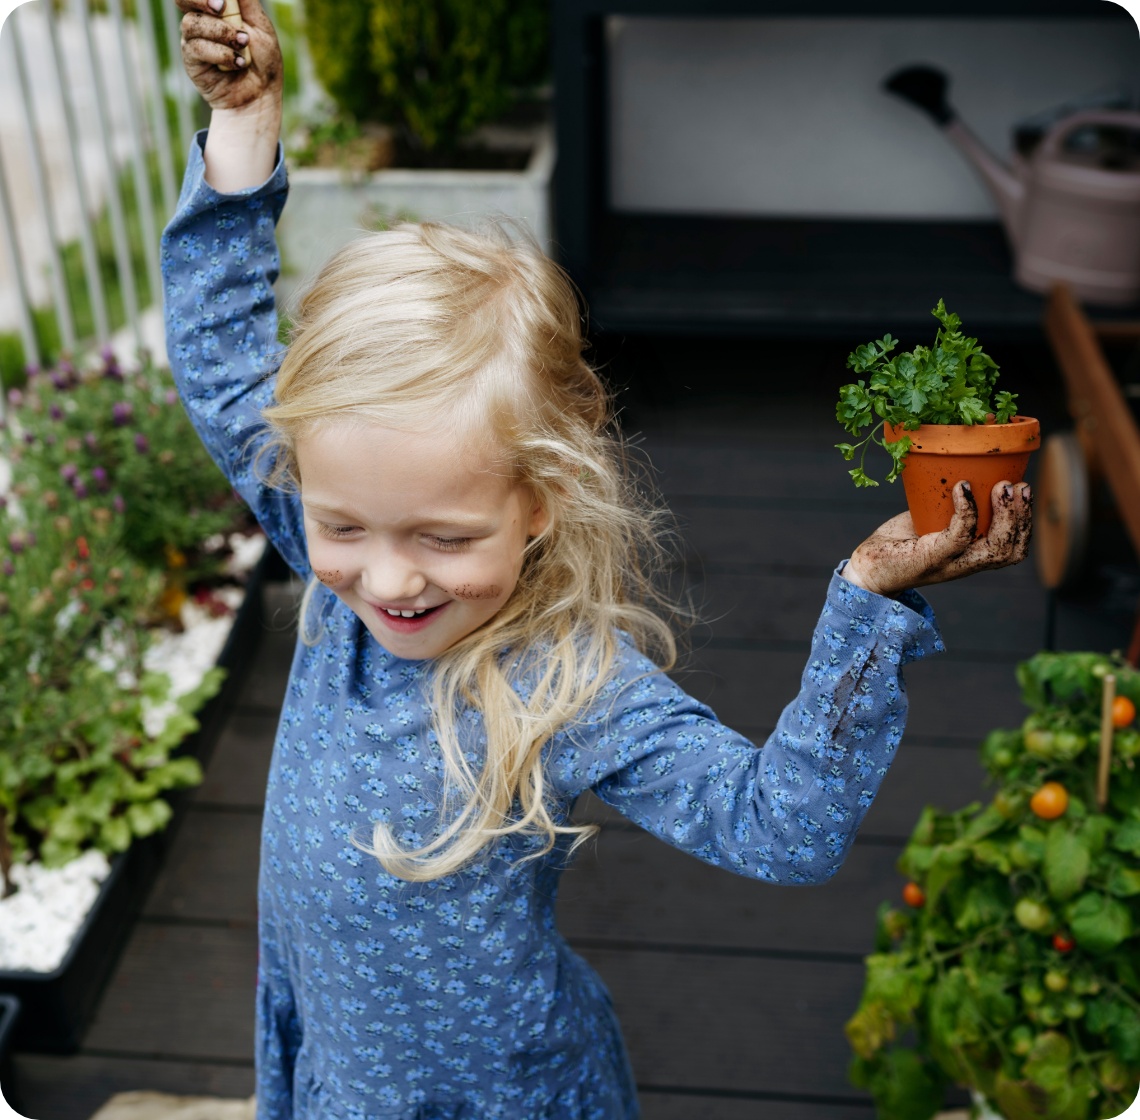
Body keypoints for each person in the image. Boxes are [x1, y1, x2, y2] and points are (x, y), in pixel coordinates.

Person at [164, 3, 1033, 1117]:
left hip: (500, 1096)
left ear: (540, 502)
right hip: (338, 1063)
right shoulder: (339, 559)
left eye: (444, 537)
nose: (386, 580)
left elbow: (782, 827)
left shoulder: (575, 681)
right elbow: (224, 357)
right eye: (342, 529)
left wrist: (865, 604)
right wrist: (242, 127)